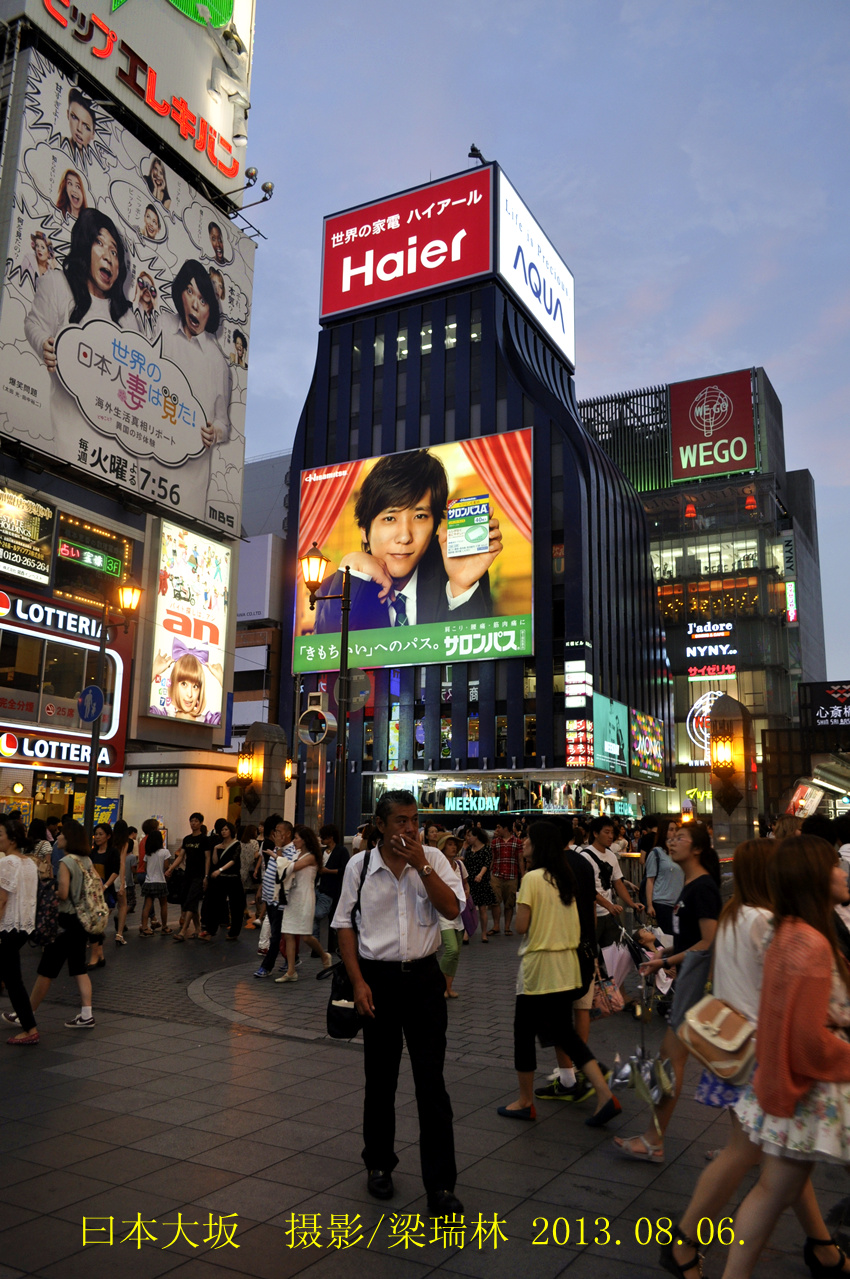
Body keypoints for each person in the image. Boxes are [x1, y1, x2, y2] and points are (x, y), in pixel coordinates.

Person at [662, 838, 847, 1279]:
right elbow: (792, 1007)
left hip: (740, 1049)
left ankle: (822, 1247)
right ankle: (685, 1241)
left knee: (777, 1164)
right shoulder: (771, 924)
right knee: (752, 1161)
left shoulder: (735, 914)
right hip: (765, 1057)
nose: (842, 873)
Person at [717, 836, 850, 1279]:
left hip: (779, 1084)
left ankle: (824, 1252)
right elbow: (808, 1042)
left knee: (772, 1190)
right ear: (812, 877)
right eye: (835, 865)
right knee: (772, 1191)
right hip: (805, 1090)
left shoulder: (786, 932)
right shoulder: (810, 942)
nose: (843, 872)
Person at [332, 790, 465, 1214]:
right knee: (381, 1078)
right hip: (378, 981)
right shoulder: (360, 865)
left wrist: (421, 865)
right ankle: (378, 1164)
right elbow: (343, 926)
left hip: (425, 981)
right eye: (401, 821)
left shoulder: (434, 860)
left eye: (414, 820)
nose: (410, 828)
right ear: (381, 825)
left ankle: (441, 1184)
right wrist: (357, 982)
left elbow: (450, 910)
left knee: (431, 1083)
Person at [498, 822, 620, 1126]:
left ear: (539, 844)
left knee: (523, 1034)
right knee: (564, 1032)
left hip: (540, 968)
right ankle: (604, 1094)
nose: (524, 843)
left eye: (528, 838)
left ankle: (525, 1101)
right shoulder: (565, 876)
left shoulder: (532, 879)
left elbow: (522, 926)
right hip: (568, 966)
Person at [614, 822, 721, 1162]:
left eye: (680, 838)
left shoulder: (702, 887)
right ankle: (750, 1143)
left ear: (699, 848)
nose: (672, 842)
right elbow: (693, 939)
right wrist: (662, 955)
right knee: (721, 1066)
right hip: (691, 982)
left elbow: (709, 941)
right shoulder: (691, 884)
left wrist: (667, 960)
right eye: (671, 836)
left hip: (697, 986)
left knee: (671, 1064)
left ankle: (653, 1141)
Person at [314, 449, 502, 634]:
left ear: (435, 526)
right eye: (390, 518)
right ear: (364, 530)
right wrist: (351, 574)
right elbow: (326, 658)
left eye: (420, 516)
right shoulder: (332, 588)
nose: (405, 537)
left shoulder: (456, 573)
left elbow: (476, 655)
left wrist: (462, 588)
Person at [25, 209, 138, 444]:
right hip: (61, 436)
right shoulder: (57, 284)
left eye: (115, 251)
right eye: (99, 243)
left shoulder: (126, 317)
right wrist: (43, 343)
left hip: (111, 446)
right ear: (84, 245)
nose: (108, 256)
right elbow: (33, 323)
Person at [158, 260, 233, 520]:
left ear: (210, 310)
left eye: (203, 300)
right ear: (180, 294)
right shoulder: (163, 326)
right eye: (189, 292)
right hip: (148, 461)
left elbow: (223, 421)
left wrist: (215, 432)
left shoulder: (217, 362)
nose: (195, 304)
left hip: (190, 482)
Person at [17, 820, 96, 1029]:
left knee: (47, 969)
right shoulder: (86, 860)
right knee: (79, 967)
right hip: (82, 919)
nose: (57, 837)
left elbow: (63, 893)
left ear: (69, 839)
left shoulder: (66, 862)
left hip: (65, 920)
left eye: (61, 835)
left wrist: (49, 891)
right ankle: (87, 1013)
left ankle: (26, 1014)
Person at [0, 817, 39, 1045]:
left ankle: (29, 1028)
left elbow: (2, 901)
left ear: (12, 839)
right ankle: (29, 1026)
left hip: (7, 927)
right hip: (23, 928)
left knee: (13, 981)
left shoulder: (7, 863)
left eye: (1, 834)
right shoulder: (29, 863)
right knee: (12, 978)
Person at [276, 826, 332, 981]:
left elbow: (291, 867)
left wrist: (278, 854)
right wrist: (280, 854)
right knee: (288, 933)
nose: (293, 841)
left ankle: (324, 955)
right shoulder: (298, 854)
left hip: (305, 897)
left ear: (305, 839)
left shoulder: (312, 856)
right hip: (293, 897)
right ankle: (291, 972)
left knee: (306, 936)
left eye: (296, 838)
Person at [581, 816, 637, 953]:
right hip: (593, 914)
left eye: (612, 832)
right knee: (590, 955)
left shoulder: (611, 856)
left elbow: (618, 883)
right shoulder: (585, 857)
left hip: (609, 914)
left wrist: (631, 904)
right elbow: (588, 890)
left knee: (615, 956)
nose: (611, 836)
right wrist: (609, 906)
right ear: (595, 833)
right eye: (607, 832)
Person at [253, 816, 296, 977]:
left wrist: (277, 853)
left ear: (287, 834)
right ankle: (293, 958)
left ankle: (267, 966)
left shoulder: (291, 851)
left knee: (276, 934)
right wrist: (262, 890)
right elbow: (270, 873)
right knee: (281, 932)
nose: (275, 835)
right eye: (275, 831)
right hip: (270, 899)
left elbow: (285, 871)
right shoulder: (277, 850)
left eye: (279, 832)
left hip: (281, 901)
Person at [437, 834, 469, 998]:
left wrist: (466, 891)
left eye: (455, 844)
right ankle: (438, 984)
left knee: (456, 953)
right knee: (451, 949)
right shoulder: (437, 865)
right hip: (443, 912)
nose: (453, 847)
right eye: (449, 844)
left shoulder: (459, 865)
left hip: (459, 912)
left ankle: (448, 987)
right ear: (442, 847)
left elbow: (465, 883)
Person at [201, 821, 244, 941]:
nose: (224, 832)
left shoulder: (236, 844)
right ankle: (210, 931)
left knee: (236, 906)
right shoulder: (218, 845)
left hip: (233, 878)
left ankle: (234, 932)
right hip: (221, 879)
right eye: (222, 830)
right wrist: (215, 849)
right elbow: (215, 861)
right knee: (215, 904)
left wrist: (220, 870)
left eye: (226, 829)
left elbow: (233, 860)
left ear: (231, 831)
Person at [643, 817, 684, 937]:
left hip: (678, 903)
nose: (674, 832)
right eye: (671, 829)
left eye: (676, 829)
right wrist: (649, 905)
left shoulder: (678, 852)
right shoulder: (656, 853)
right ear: (664, 831)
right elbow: (650, 880)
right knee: (668, 937)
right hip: (662, 902)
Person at [170, 812, 206, 942]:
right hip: (188, 875)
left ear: (201, 823)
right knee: (191, 901)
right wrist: (171, 868)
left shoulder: (204, 839)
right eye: (192, 821)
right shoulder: (187, 839)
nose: (193, 823)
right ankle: (198, 929)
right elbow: (181, 856)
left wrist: (206, 876)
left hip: (199, 875)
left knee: (191, 901)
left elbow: (207, 858)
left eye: (196, 821)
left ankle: (183, 931)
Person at [312, 824, 348, 954]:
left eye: (324, 837)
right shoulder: (322, 852)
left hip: (331, 889)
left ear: (331, 838)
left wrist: (329, 871)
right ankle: (316, 947)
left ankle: (331, 946)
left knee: (319, 915)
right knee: (315, 916)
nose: (321, 840)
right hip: (318, 886)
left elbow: (345, 870)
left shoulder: (341, 851)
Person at [489, 818, 522, 936]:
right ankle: (496, 925)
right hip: (496, 875)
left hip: (512, 875)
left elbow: (520, 860)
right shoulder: (494, 842)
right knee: (495, 902)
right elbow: (492, 859)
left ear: (505, 828)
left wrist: (522, 875)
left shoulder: (517, 842)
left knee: (509, 903)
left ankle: (507, 927)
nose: (497, 830)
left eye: (499, 827)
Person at [138, 831, 172, 935]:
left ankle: (144, 927)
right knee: (163, 905)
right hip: (160, 881)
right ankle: (165, 927)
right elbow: (166, 867)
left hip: (149, 882)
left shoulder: (148, 854)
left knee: (147, 905)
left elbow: (145, 867)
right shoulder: (165, 852)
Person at [110, 819, 132, 944]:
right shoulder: (124, 843)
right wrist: (123, 882)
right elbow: (122, 863)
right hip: (118, 876)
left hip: (108, 875)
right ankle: (119, 934)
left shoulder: (110, 842)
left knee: (107, 905)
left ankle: (96, 931)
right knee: (122, 905)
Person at [66, 88, 95, 153]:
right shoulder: (54, 144)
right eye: (74, 117)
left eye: (86, 126)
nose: (79, 129)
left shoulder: (94, 162)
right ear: (68, 114)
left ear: (93, 133)